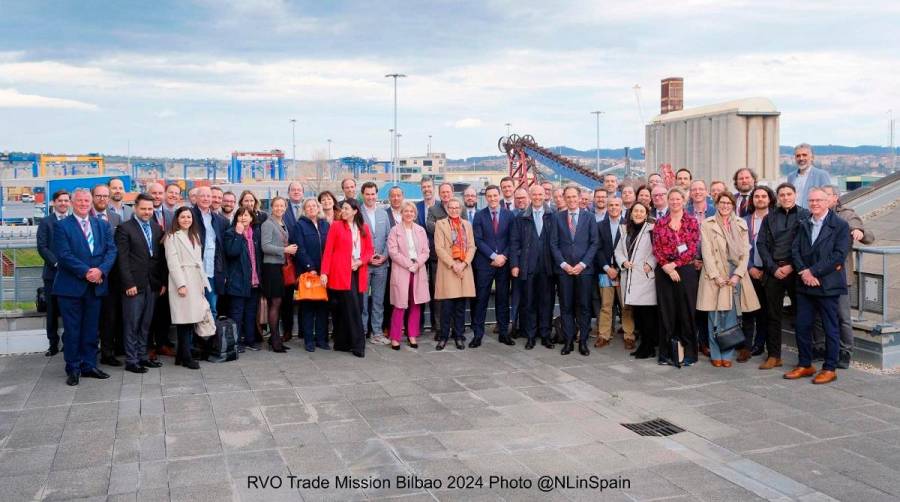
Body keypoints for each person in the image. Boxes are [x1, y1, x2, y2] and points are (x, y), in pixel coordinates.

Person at [785, 188, 850, 385]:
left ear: (828, 201)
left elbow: (838, 255)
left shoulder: (840, 225)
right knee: (803, 326)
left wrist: (813, 272)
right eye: (811, 200)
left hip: (827, 284)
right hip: (805, 284)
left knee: (831, 328)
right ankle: (805, 364)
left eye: (819, 200)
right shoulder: (804, 223)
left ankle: (830, 368)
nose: (814, 204)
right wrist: (804, 271)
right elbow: (794, 250)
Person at [53, 188, 117, 386]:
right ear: (72, 202)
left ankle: (89, 365)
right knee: (72, 330)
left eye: (86, 201)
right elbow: (64, 255)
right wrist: (88, 272)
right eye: (79, 201)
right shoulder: (62, 226)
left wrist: (101, 271)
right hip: (71, 287)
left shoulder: (102, 225)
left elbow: (111, 250)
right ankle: (73, 367)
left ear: (91, 203)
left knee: (91, 329)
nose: (83, 204)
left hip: (96, 286)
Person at [697, 192, 760, 367]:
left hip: (734, 275)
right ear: (716, 204)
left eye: (728, 203)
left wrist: (738, 274)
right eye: (722, 202)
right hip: (714, 275)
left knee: (731, 318)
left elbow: (745, 253)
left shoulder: (740, 224)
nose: (725, 205)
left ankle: (727, 353)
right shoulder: (707, 224)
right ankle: (715, 353)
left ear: (733, 205)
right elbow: (707, 252)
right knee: (714, 317)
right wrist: (716, 276)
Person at [816, 185, 874, 368]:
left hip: (840, 276)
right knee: (818, 315)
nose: (820, 200)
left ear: (835, 198)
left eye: (825, 196)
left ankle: (845, 351)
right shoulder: (815, 214)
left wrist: (860, 232)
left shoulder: (846, 214)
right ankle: (820, 348)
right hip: (819, 274)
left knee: (842, 316)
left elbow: (868, 235)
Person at [756, 183, 809, 370]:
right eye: (782, 195)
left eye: (789, 194)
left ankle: (805, 358)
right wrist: (772, 268)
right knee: (772, 315)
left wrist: (792, 266)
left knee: (801, 315)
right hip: (774, 271)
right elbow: (761, 244)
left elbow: (807, 245)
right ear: (777, 197)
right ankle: (774, 355)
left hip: (795, 272)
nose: (786, 197)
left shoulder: (805, 216)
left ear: (795, 195)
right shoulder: (770, 217)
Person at [116, 193, 167, 374]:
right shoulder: (124, 228)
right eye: (143, 209)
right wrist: (128, 283)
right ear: (136, 208)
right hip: (133, 285)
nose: (147, 212)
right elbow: (122, 259)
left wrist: (161, 282)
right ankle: (131, 360)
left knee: (146, 323)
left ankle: (143, 356)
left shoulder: (156, 227)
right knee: (132, 323)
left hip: (152, 284)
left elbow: (159, 258)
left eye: (150, 209)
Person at [652, 187, 701, 367]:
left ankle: (689, 353)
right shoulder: (660, 223)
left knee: (686, 311)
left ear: (683, 200)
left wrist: (675, 265)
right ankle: (666, 353)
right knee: (667, 311)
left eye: (677, 199)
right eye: (671, 199)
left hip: (685, 271)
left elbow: (692, 247)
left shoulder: (692, 222)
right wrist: (666, 266)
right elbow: (656, 247)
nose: (674, 202)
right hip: (664, 272)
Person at [320, 198, 373, 358]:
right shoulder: (336, 226)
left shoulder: (364, 228)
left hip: (358, 271)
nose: (343, 211)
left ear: (355, 211)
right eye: (342, 208)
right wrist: (324, 272)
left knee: (353, 307)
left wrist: (360, 262)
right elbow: (328, 250)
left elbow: (369, 251)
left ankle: (343, 343)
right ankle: (358, 345)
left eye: (347, 208)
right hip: (340, 273)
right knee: (352, 308)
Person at [550, 185, 599, 356]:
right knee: (566, 306)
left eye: (574, 197)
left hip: (584, 271)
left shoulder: (590, 217)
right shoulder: (557, 218)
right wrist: (564, 264)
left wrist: (582, 264)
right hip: (564, 271)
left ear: (579, 198)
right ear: (564, 198)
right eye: (568, 197)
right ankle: (568, 340)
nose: (571, 200)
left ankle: (583, 341)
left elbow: (594, 243)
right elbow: (553, 244)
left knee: (584, 307)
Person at [164, 207, 210, 370]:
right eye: (182, 217)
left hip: (195, 280)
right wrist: (181, 284)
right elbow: (173, 262)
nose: (186, 220)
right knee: (183, 321)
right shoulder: (172, 237)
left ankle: (181, 355)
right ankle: (186, 357)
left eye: (189, 217)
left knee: (191, 320)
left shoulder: (195, 235)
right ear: (177, 219)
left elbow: (199, 261)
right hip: (182, 281)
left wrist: (203, 283)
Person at [510, 184, 554, 349]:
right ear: (530, 196)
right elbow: (514, 243)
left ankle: (545, 335)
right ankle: (530, 336)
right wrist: (514, 264)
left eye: (540, 194)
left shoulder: (552, 215)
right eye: (534, 194)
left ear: (544, 196)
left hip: (547, 266)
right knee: (528, 302)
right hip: (527, 265)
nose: (537, 197)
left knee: (546, 302)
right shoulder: (521, 217)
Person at [471, 185, 515, 348]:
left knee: (503, 299)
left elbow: (513, 239)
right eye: (489, 196)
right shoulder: (479, 216)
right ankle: (478, 334)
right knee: (481, 299)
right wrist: (493, 256)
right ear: (486, 198)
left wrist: (503, 256)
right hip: (485, 263)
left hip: (503, 263)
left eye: (495, 195)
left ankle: (504, 333)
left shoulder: (509, 215)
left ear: (500, 196)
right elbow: (478, 240)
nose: (492, 198)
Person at [615, 202, 658, 359]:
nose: (638, 214)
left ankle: (649, 347)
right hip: (631, 276)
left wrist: (651, 263)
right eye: (635, 211)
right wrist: (623, 262)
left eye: (642, 211)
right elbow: (618, 250)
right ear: (631, 213)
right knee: (638, 315)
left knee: (648, 315)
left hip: (645, 278)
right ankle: (644, 346)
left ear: (646, 214)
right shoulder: (626, 230)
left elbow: (658, 249)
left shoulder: (652, 229)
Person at [386, 201, 430, 349]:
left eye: (412, 211)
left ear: (415, 214)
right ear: (401, 213)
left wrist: (416, 264)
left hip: (418, 270)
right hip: (402, 270)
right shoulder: (394, 230)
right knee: (400, 305)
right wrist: (408, 264)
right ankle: (395, 337)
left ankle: (412, 335)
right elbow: (392, 251)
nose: (409, 213)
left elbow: (426, 251)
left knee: (415, 304)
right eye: (406, 211)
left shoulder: (420, 230)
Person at [433, 198, 476, 350]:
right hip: (449, 269)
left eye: (457, 207)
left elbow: (472, 246)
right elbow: (439, 248)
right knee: (446, 307)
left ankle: (458, 336)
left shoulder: (467, 225)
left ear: (460, 209)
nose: (454, 210)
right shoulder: (440, 224)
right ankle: (443, 337)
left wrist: (464, 264)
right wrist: (453, 264)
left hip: (464, 268)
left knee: (460, 307)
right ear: (447, 208)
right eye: (451, 207)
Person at [259, 197, 299, 352]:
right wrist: (285, 250)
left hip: (280, 267)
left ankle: (275, 338)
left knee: (279, 303)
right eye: (276, 205)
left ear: (286, 207)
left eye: (282, 206)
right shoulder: (268, 224)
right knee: (275, 303)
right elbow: (265, 246)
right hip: (271, 267)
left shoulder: (283, 223)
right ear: (272, 207)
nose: (279, 208)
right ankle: (274, 339)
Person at [741, 185, 775, 362]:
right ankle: (747, 345)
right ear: (752, 200)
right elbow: (739, 248)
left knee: (766, 311)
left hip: (769, 272)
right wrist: (750, 267)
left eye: (764, 196)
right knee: (749, 310)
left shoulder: (775, 219)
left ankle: (761, 344)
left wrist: (767, 269)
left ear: (769, 199)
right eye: (757, 196)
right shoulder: (744, 221)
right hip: (750, 271)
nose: (760, 199)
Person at [91, 184, 125, 367]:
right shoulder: (85, 217)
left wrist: (106, 270)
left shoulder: (116, 218)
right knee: (90, 317)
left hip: (111, 275)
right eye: (98, 196)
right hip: (89, 275)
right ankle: (88, 354)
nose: (102, 199)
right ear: (92, 197)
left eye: (105, 196)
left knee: (110, 317)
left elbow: (117, 248)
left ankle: (107, 353)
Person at [594, 196, 634, 350]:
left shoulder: (628, 225)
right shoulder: (599, 226)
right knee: (606, 305)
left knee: (626, 306)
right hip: (605, 271)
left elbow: (631, 249)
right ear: (607, 207)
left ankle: (629, 335)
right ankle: (604, 335)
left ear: (621, 206)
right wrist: (607, 268)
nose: (613, 208)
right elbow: (596, 249)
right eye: (610, 205)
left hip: (623, 271)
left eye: (616, 205)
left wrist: (619, 269)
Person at [224, 207, 263, 354]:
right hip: (238, 280)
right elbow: (232, 252)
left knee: (251, 313)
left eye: (246, 215)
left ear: (252, 218)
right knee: (237, 313)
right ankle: (236, 341)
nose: (243, 218)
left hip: (254, 280)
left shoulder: (256, 234)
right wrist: (239, 234)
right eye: (240, 215)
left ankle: (250, 340)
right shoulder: (230, 233)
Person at [37, 189, 70, 357]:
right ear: (53, 203)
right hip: (52, 273)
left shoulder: (73, 221)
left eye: (66, 200)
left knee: (68, 311)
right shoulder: (45, 222)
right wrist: (57, 263)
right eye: (60, 201)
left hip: (70, 274)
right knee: (52, 310)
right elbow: (42, 247)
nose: (63, 203)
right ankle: (53, 344)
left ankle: (67, 342)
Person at [296, 199, 331, 352]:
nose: (311, 208)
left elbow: (330, 248)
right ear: (304, 209)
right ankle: (309, 341)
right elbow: (300, 249)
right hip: (308, 272)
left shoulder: (325, 225)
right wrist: (311, 267)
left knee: (323, 307)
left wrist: (325, 270)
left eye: (314, 206)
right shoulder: (299, 225)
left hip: (324, 273)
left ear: (319, 208)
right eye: (308, 206)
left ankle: (322, 340)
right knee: (308, 307)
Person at [358, 182, 391, 344]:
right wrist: (367, 257)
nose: (371, 197)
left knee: (378, 300)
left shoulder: (383, 214)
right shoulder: (357, 214)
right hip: (364, 265)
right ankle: (362, 331)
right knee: (362, 301)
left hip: (381, 265)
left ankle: (376, 332)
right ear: (363, 195)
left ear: (377, 195)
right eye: (368, 194)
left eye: (373, 194)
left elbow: (388, 238)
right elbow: (355, 240)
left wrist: (384, 256)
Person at [192, 186, 227, 317]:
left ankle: (210, 337)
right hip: (195, 271)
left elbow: (222, 249)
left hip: (213, 271)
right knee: (194, 310)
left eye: (209, 196)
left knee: (212, 309)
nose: (206, 199)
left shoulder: (220, 220)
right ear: (196, 198)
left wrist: (223, 272)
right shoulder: (189, 215)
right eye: (203, 195)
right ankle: (196, 338)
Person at [788, 143, 831, 209]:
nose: (801, 158)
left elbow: (828, 199)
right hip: (793, 215)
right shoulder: (791, 176)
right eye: (798, 156)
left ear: (812, 158)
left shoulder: (821, 175)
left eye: (804, 155)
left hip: (812, 216)